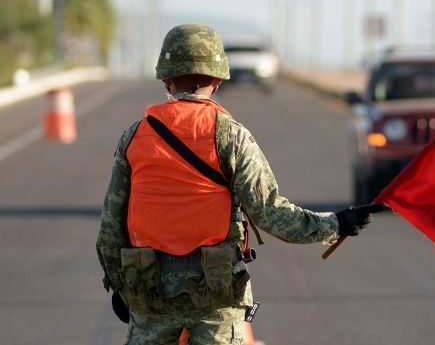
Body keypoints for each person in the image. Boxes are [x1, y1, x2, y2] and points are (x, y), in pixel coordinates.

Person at [96, 24, 380, 345]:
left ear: (166, 79)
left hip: (149, 290)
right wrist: (335, 224)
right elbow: (270, 213)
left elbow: (110, 227)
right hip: (215, 294)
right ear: (217, 80)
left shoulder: (134, 137)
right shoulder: (231, 136)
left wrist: (119, 283)